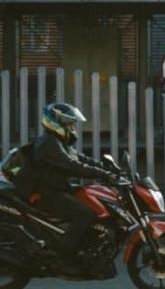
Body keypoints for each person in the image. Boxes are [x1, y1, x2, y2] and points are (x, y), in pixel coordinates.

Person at [29, 104, 119, 261]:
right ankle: (65, 253)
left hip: (59, 188)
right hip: (47, 193)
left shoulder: (57, 141)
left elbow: (81, 159)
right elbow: (72, 165)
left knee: (89, 199)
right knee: (85, 213)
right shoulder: (49, 143)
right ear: (57, 123)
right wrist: (104, 175)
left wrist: (109, 168)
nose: (73, 128)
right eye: (70, 124)